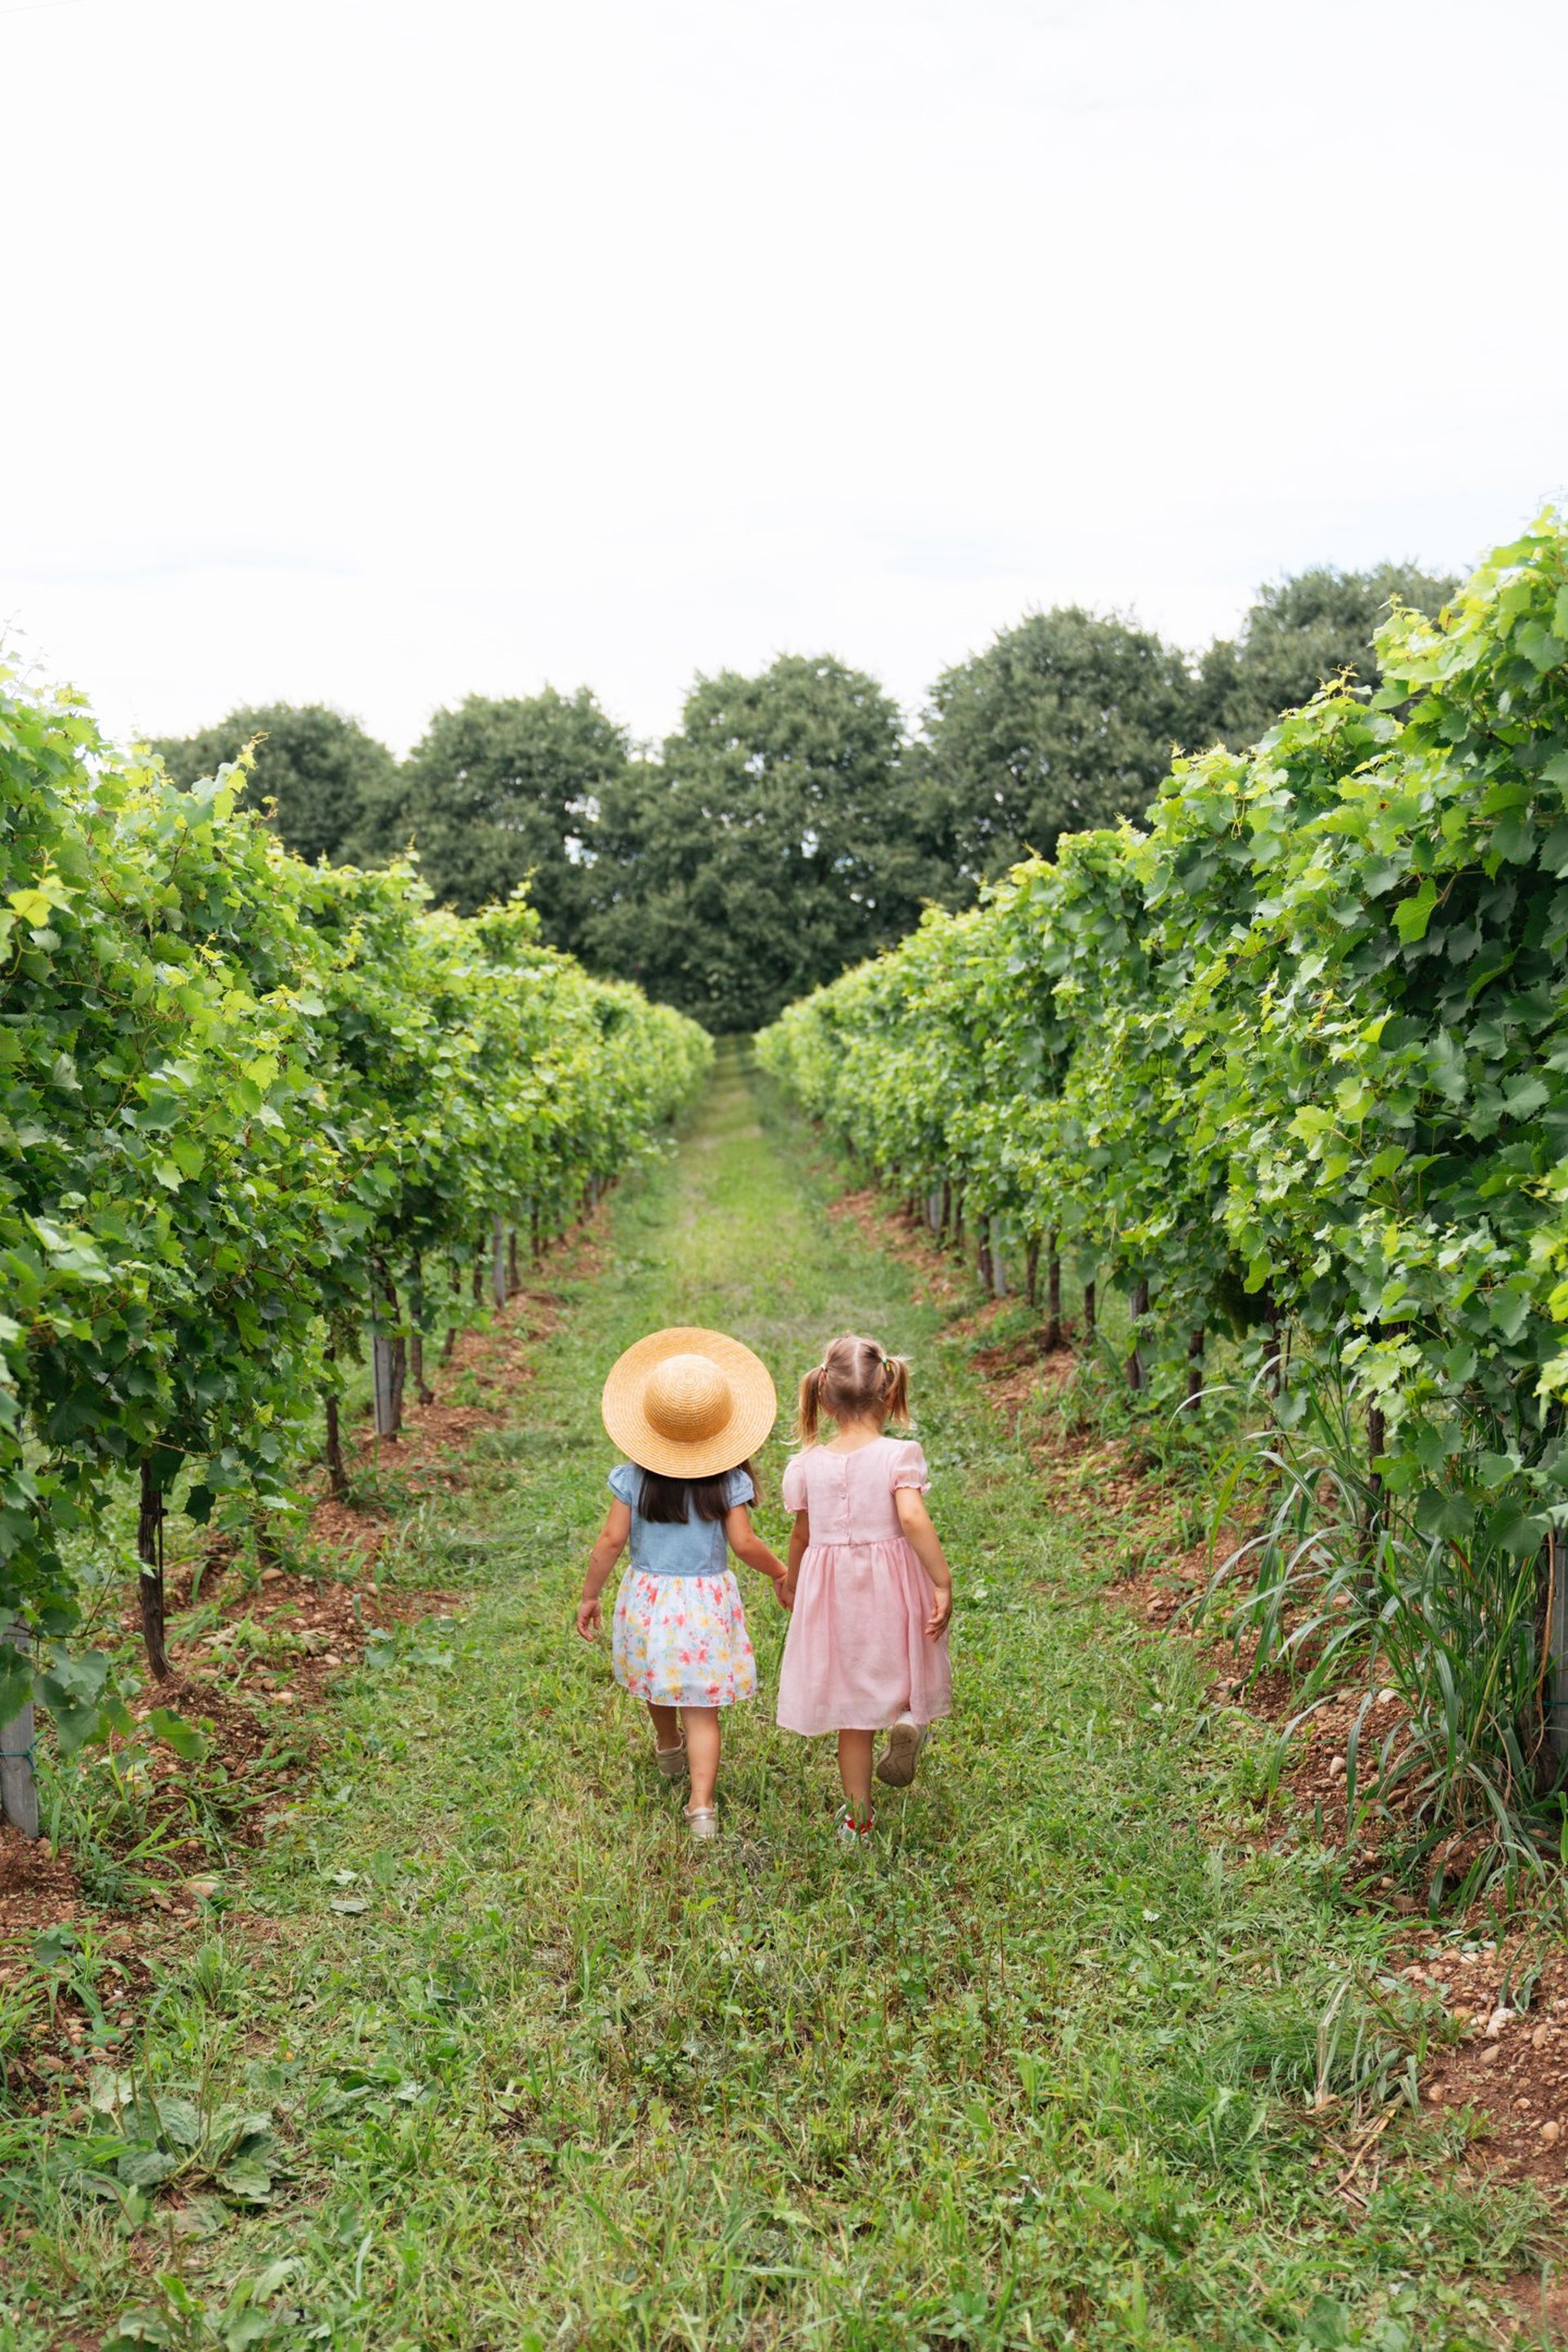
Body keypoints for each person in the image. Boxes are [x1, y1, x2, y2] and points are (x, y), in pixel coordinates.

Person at [577, 1325, 788, 1837]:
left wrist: (589, 1595)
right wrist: (780, 1570)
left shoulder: (633, 1477)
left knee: (658, 1678)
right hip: (704, 1604)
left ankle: (666, 1747)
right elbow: (743, 1544)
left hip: (650, 1600)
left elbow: (609, 1541)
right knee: (702, 1708)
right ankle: (701, 1807)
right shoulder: (729, 1480)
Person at [777, 1333, 953, 1841]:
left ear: (824, 1398)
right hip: (893, 1585)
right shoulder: (900, 1455)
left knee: (851, 1712)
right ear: (889, 1392)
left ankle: (859, 1819)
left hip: (833, 1593)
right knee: (903, 1667)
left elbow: (802, 1533)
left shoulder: (806, 1464)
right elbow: (912, 1516)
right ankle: (908, 1718)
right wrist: (941, 1579)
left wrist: (792, 1581)